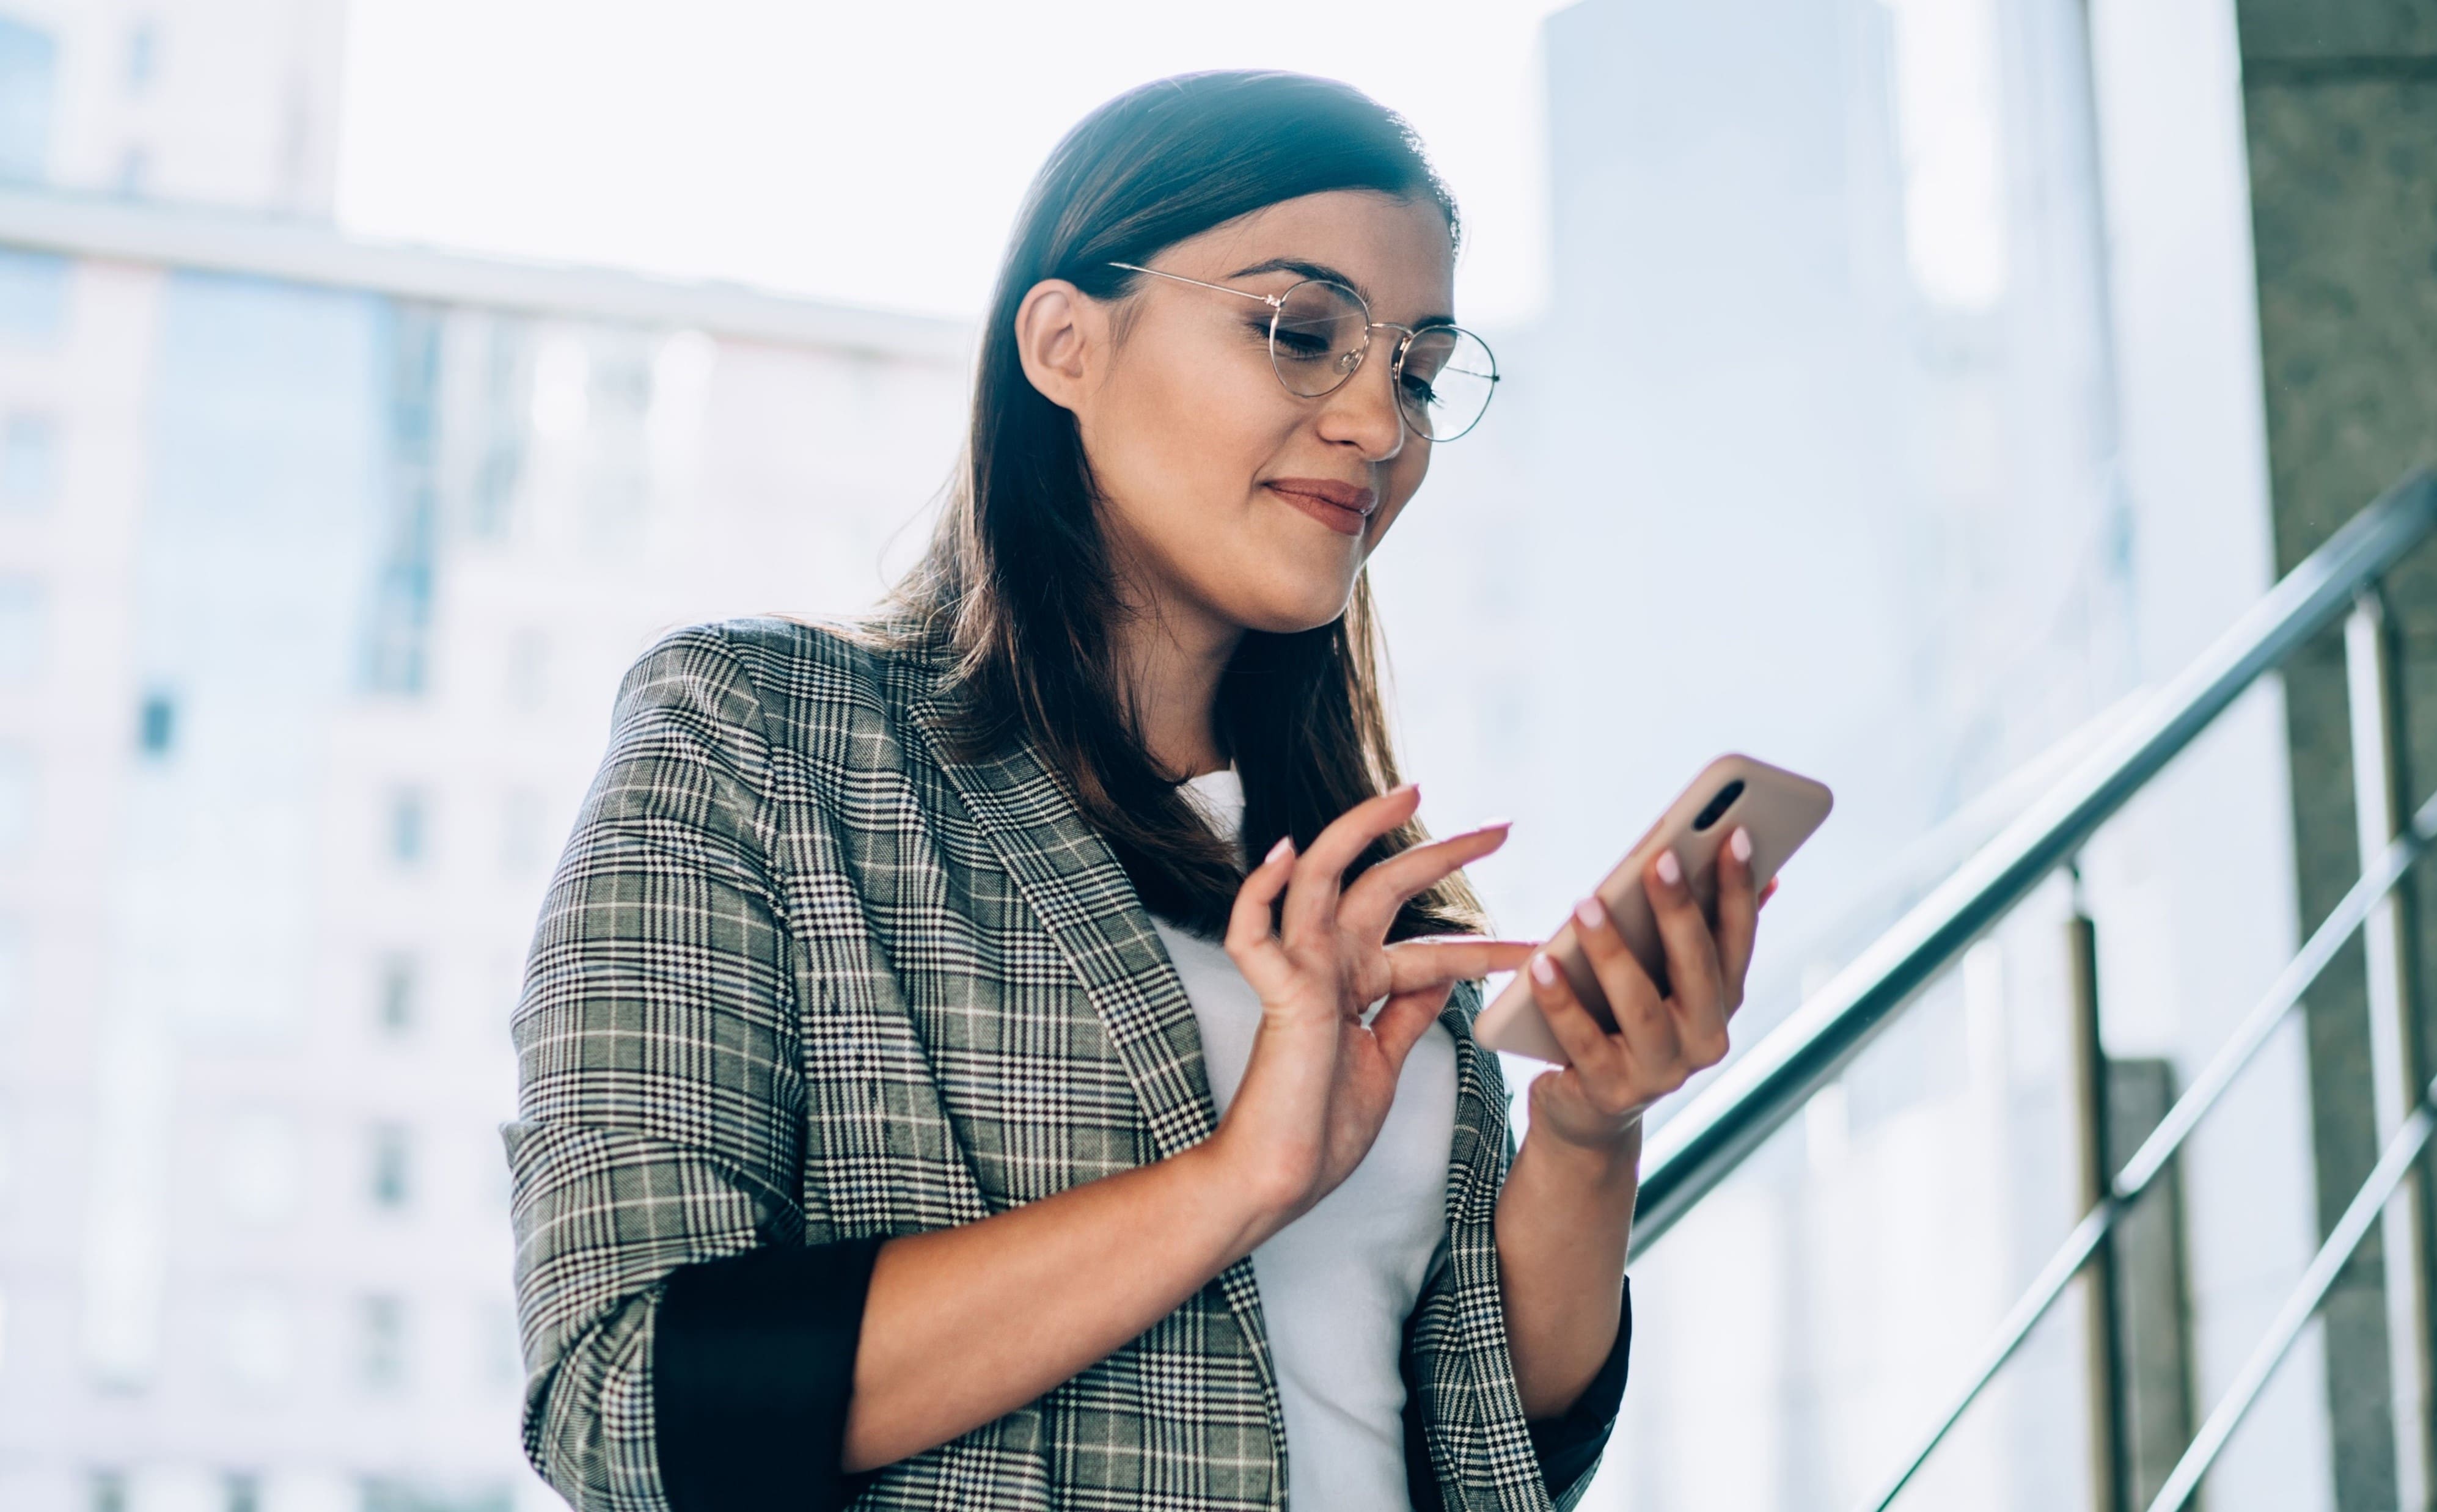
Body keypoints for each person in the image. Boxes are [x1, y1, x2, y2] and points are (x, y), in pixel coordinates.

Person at [505, 69, 1766, 1512]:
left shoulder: (1344, 864)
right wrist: (1238, 1176)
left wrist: (1590, 1131)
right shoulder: (763, 741)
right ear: (1063, 344)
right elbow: (626, 1400)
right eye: (1299, 332)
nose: (1377, 423)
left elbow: (1488, 1432)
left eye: (1414, 371)